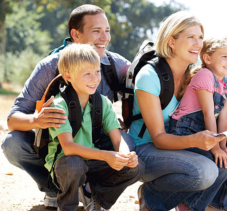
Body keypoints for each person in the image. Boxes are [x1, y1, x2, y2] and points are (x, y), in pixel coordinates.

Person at [1, 4, 134, 209]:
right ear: (76, 34)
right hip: (61, 148)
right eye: (96, 31)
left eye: (107, 31)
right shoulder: (49, 67)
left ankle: (93, 192)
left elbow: (143, 77)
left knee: (129, 146)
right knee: (12, 143)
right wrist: (37, 120)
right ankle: (56, 190)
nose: (105, 38)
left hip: (98, 143)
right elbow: (12, 120)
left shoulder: (116, 64)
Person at [128, 11, 227, 211]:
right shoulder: (149, 76)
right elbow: (158, 138)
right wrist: (195, 140)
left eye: (200, 37)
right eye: (191, 37)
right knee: (206, 171)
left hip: (177, 143)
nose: (198, 43)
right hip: (148, 149)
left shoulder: (194, 73)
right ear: (172, 41)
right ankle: (153, 195)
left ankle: (197, 204)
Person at [44, 43, 143, 211]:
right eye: (87, 74)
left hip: (92, 161)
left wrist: (125, 155)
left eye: (97, 72)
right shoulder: (59, 105)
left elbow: (117, 138)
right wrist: (107, 156)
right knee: (74, 164)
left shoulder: (102, 102)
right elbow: (68, 148)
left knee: (136, 167)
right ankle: (67, 206)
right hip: (66, 164)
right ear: (68, 76)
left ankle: (96, 201)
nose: (95, 79)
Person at [168, 37, 227, 211]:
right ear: (207, 58)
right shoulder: (204, 75)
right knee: (222, 163)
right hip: (185, 131)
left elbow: (225, 114)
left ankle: (198, 204)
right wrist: (215, 148)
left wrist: (223, 146)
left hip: (206, 132)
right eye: (224, 56)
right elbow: (208, 113)